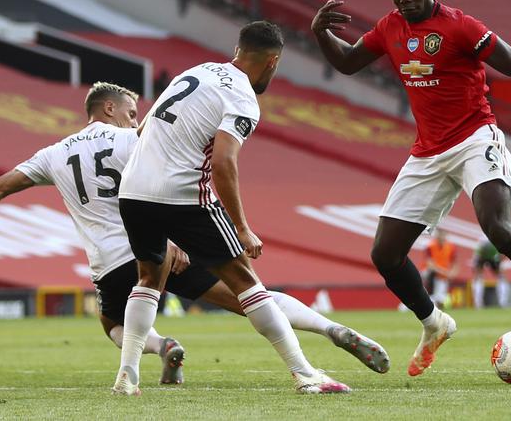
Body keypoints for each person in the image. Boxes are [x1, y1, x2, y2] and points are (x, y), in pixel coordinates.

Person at [0, 81, 387, 388]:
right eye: (132, 113)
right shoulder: (137, 141)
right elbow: (169, 187)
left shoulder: (53, 155)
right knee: (251, 296)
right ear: (108, 109)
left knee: (111, 323)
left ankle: (160, 348)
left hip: (113, 263)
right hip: (174, 251)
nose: (137, 120)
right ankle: (329, 329)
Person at [311, 0, 511, 377]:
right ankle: (434, 323)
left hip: (474, 138)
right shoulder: (390, 27)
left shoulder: (461, 27)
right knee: (385, 254)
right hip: (428, 152)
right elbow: (347, 62)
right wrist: (321, 34)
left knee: (498, 228)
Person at [112, 22, 353, 395]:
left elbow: (142, 129)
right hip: (183, 193)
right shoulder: (243, 98)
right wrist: (241, 226)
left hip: (133, 191)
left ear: (238, 49)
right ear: (272, 61)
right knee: (246, 282)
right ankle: (305, 374)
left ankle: (127, 375)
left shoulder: (194, 72)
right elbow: (224, 162)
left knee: (147, 279)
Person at [423, 229, 457, 308]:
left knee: (440, 298)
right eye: (440, 234)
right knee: (430, 295)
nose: (442, 236)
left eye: (443, 234)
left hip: (443, 277)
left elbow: (454, 263)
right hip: (430, 274)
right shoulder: (430, 246)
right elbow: (430, 265)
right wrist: (446, 272)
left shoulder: (451, 247)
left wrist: (452, 273)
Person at [472, 236, 508, 308]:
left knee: (501, 277)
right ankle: (478, 303)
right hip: (484, 254)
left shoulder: (496, 237)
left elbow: (503, 253)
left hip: (493, 254)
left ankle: (502, 302)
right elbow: (477, 254)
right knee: (478, 278)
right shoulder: (483, 239)